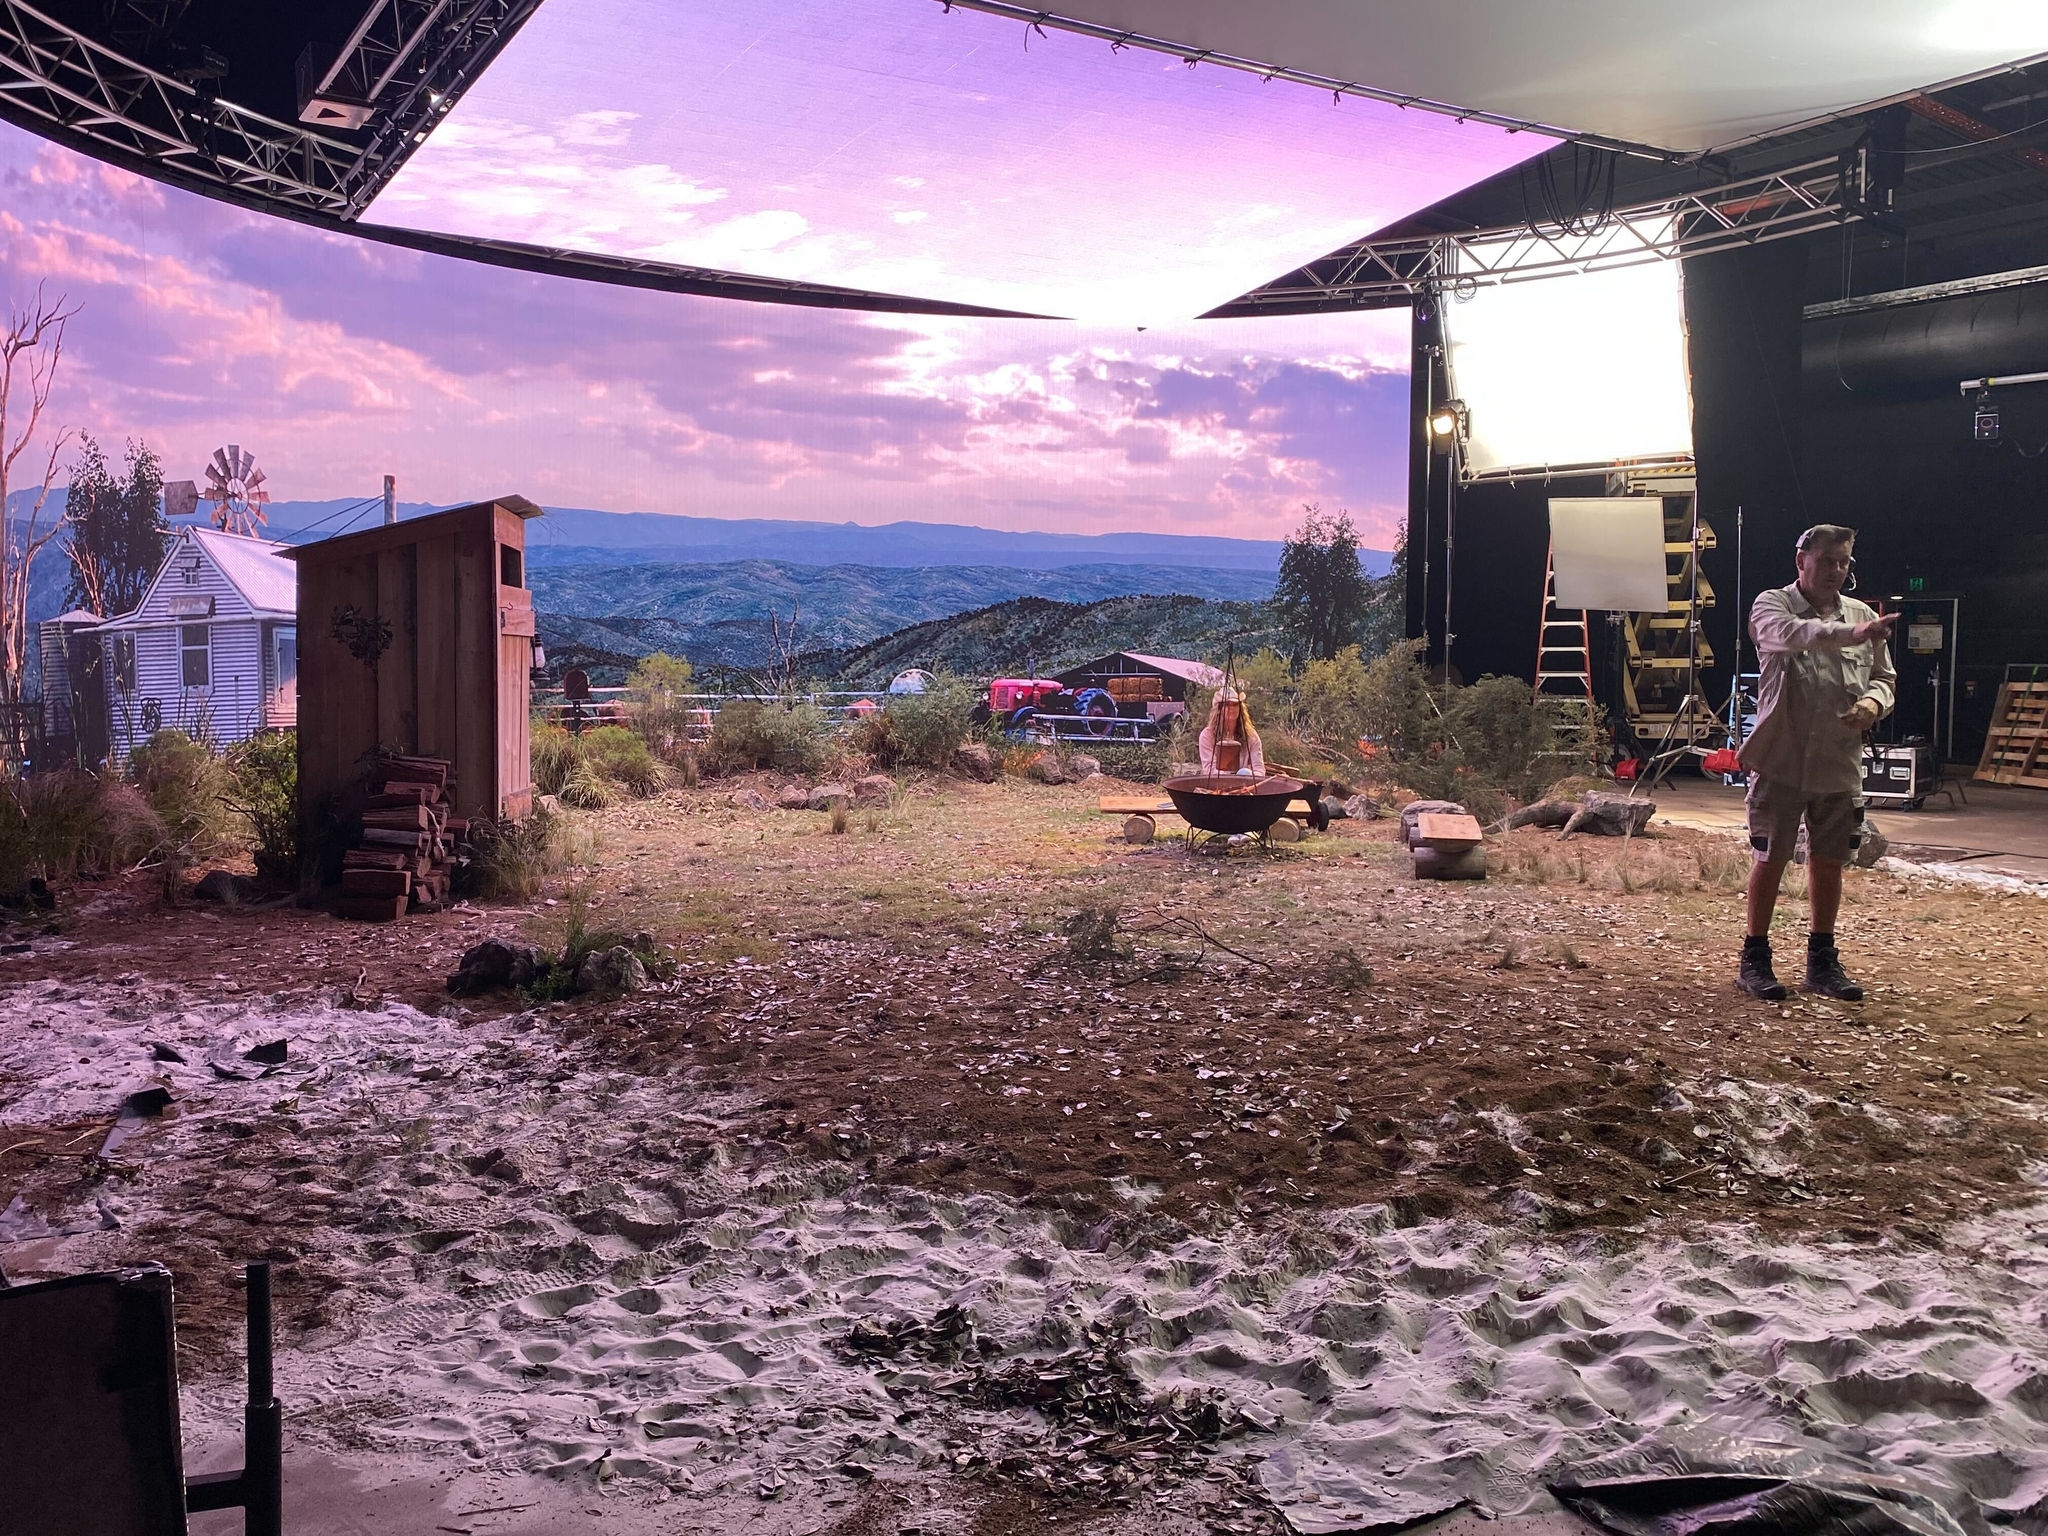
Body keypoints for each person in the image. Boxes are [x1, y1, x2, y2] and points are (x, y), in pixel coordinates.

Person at [1735, 524, 1897, 1001]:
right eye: (1827, 560)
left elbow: (1885, 677)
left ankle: (1822, 961)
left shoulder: (1863, 613)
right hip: (1782, 760)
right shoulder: (1773, 606)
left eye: (1844, 562)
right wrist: (1855, 632)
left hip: (1837, 762)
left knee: (1829, 862)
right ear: (1801, 561)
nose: (1836, 570)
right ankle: (1755, 958)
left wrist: (1874, 702)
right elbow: (1797, 635)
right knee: (1771, 858)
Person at [1198, 685, 1264, 776]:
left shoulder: (1250, 735)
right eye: (1227, 705)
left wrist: (1249, 777)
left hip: (1245, 785)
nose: (1231, 708)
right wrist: (1233, 777)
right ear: (1219, 709)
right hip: (1217, 785)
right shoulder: (1207, 735)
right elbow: (1209, 770)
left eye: (1235, 704)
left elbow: (1259, 768)